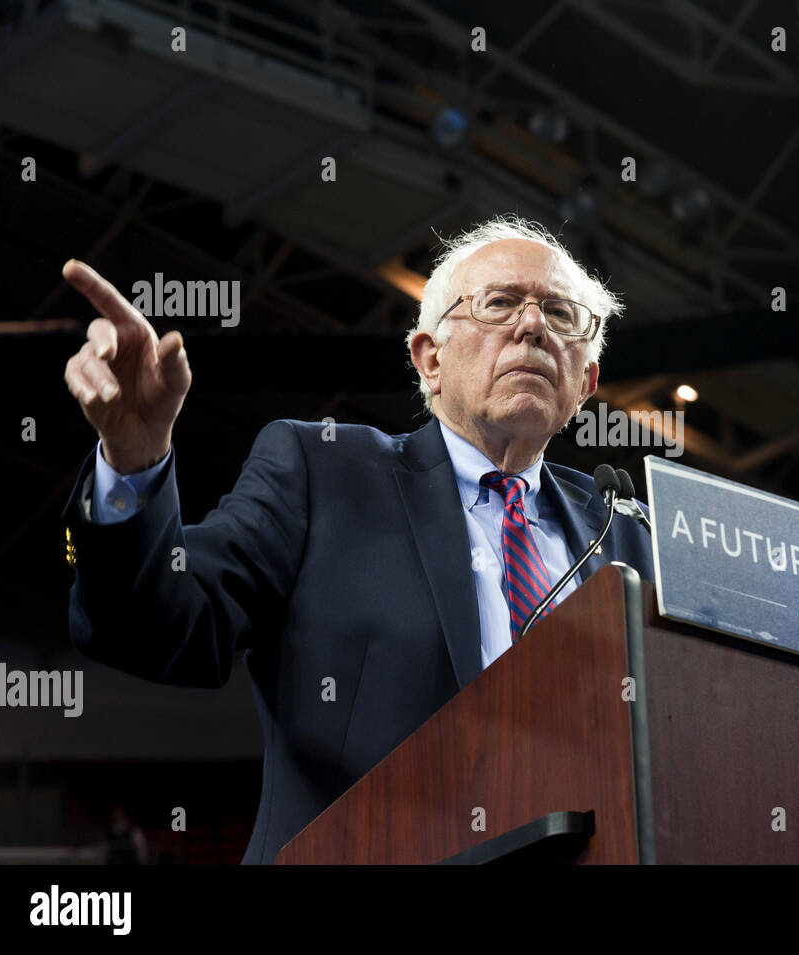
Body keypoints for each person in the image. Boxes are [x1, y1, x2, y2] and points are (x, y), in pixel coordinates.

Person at [60, 216, 655, 864]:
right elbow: (162, 622)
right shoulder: (324, 472)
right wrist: (133, 464)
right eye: (502, 303)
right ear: (430, 358)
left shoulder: (625, 529)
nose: (534, 326)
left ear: (586, 384)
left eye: (562, 315)